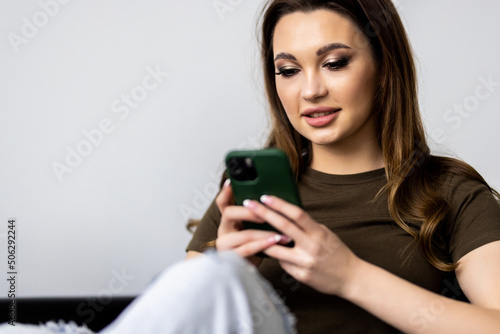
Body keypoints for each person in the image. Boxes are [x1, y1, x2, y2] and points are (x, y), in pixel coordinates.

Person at [185, 0, 500, 333]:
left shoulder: (452, 195)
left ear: (384, 67)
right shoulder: (246, 194)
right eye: (289, 71)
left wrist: (350, 276)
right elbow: (173, 319)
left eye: (334, 63)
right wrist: (224, 276)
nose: (310, 91)